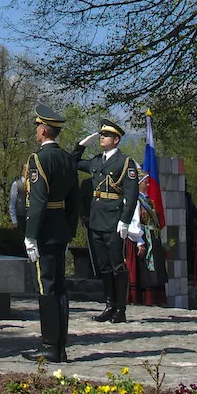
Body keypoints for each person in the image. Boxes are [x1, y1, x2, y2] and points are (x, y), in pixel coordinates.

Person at [21, 104, 80, 364]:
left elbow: (38, 201)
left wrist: (30, 235)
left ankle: (50, 346)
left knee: (46, 287)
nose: (36, 131)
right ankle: (61, 346)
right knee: (60, 287)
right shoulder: (68, 159)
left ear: (43, 130)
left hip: (44, 231)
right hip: (61, 230)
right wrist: (69, 230)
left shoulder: (39, 160)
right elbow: (74, 200)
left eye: (37, 127)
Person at [74, 118, 139, 323]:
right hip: (96, 220)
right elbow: (72, 162)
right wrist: (81, 145)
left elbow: (132, 194)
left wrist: (125, 221)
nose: (102, 137)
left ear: (116, 140)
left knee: (117, 265)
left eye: (107, 135)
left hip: (114, 220)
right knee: (103, 266)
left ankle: (120, 309)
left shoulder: (124, 162)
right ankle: (109, 305)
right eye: (101, 135)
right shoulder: (95, 161)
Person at [125, 171, 168, 307]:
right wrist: (139, 241)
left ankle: (156, 298)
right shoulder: (135, 200)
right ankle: (143, 298)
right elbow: (134, 221)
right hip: (142, 236)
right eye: (145, 181)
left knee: (155, 268)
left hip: (152, 237)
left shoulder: (147, 199)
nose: (148, 184)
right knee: (145, 268)